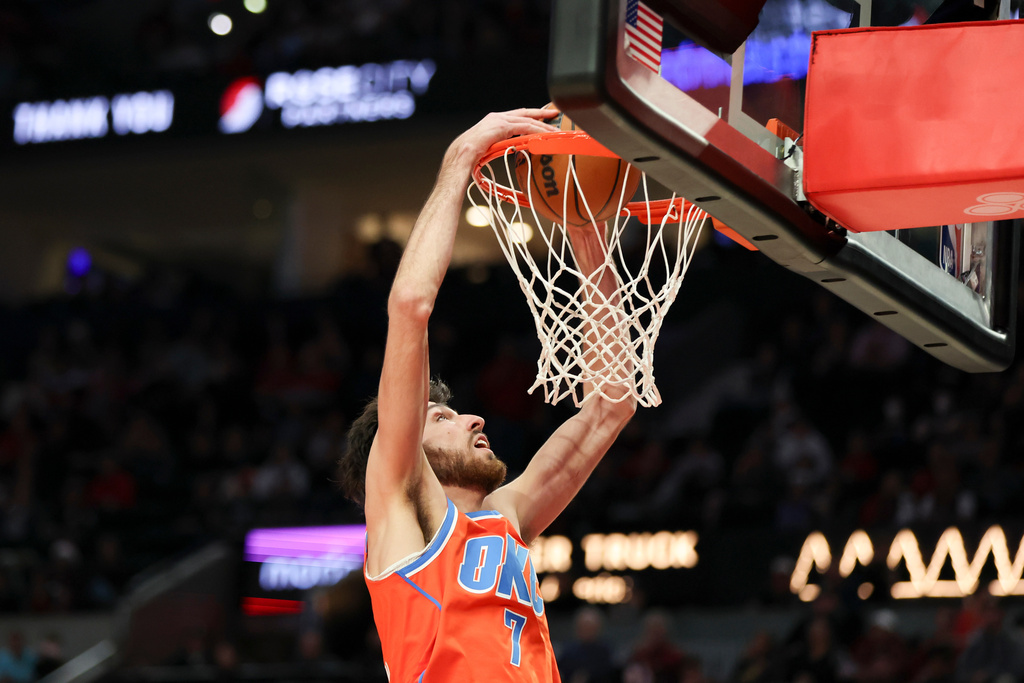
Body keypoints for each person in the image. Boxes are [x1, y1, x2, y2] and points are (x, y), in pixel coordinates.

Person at [337, 108, 637, 682]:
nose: (473, 418)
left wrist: (583, 229)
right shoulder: (404, 506)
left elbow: (610, 404)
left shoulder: (505, 518)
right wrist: (460, 160)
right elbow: (409, 309)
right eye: (443, 416)